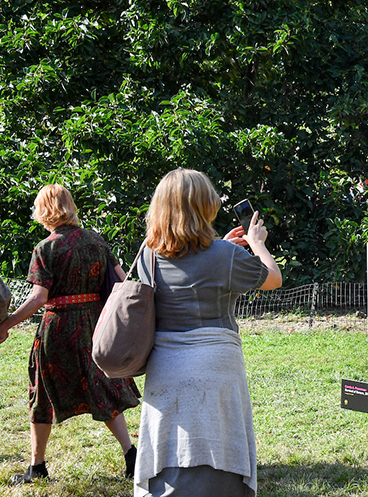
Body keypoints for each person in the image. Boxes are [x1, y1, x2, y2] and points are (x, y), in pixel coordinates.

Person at [133, 169, 282, 497]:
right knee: (221, 450)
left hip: (165, 365)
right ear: (206, 206)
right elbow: (273, 278)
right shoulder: (226, 255)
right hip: (217, 364)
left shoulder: (147, 254)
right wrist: (256, 244)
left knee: (167, 448)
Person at [0, 184, 141, 484]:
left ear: (45, 210)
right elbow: (123, 281)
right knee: (100, 386)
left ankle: (37, 467)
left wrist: (6, 323)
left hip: (59, 330)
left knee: (43, 392)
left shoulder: (46, 249)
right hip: (94, 325)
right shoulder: (97, 241)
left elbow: (39, 298)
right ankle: (131, 455)